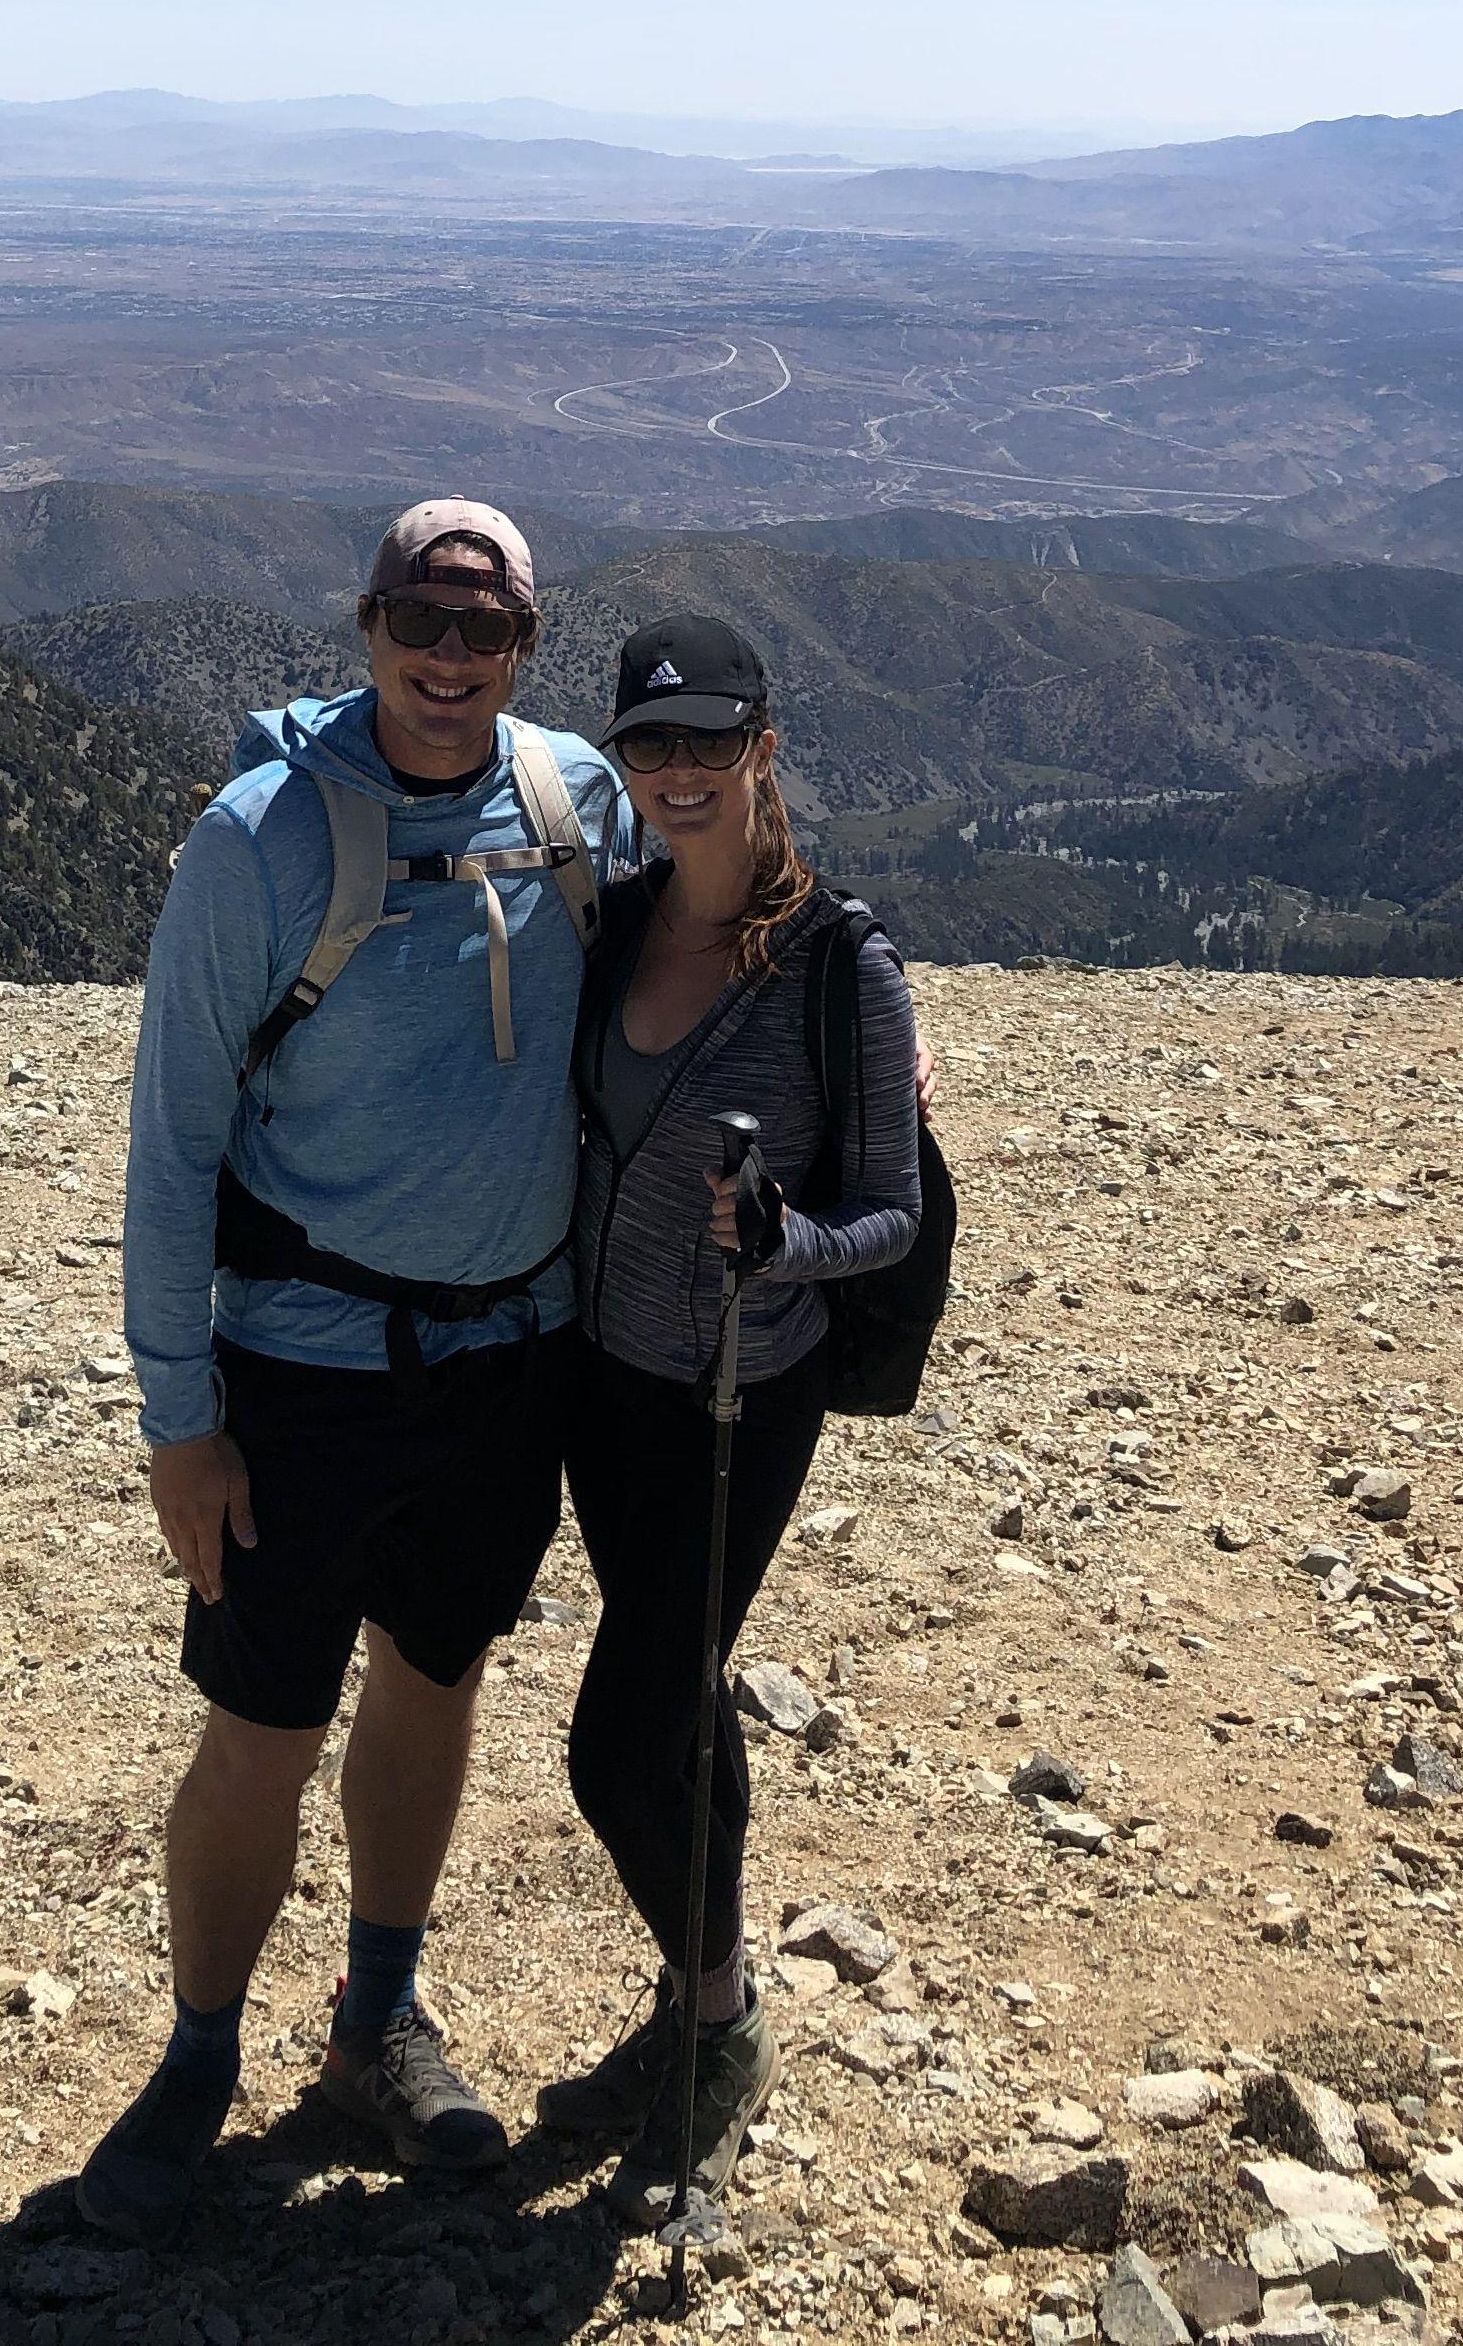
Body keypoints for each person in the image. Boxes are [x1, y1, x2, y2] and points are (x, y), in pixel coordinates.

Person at [79, 499, 628, 2243]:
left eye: (486, 630)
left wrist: (868, 1034)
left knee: (436, 1683)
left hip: (505, 1365)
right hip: (302, 1373)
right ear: (366, 619)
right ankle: (195, 2060)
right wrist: (181, 1422)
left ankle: (373, 2024)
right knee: (262, 1728)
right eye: (422, 618)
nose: (451, 657)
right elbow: (171, 1149)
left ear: (527, 645)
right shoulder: (259, 840)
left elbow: (698, 957)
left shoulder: (574, 806)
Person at [535, 611, 922, 2228]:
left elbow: (892, 1212)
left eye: (708, 743)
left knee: (615, 1744)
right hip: (603, 1388)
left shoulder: (845, 968)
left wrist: (787, 1247)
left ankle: (724, 2025)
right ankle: (696, 2003)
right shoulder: (614, 927)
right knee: (680, 1701)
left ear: (764, 747)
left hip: (736, 1402)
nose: (677, 773)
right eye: (649, 747)